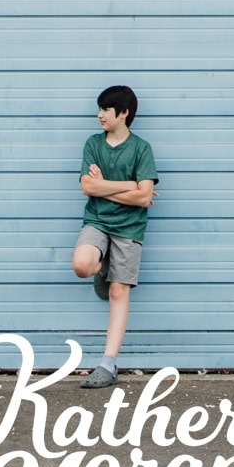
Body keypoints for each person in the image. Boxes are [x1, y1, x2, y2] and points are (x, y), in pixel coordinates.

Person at [70, 85, 158, 390]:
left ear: (124, 113)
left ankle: (108, 364)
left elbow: (145, 198)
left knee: (119, 292)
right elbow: (88, 188)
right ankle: (100, 266)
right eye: (100, 109)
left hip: (129, 229)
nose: (100, 115)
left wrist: (106, 185)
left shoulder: (141, 149)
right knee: (82, 265)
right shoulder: (93, 144)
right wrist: (130, 186)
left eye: (106, 110)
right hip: (97, 222)